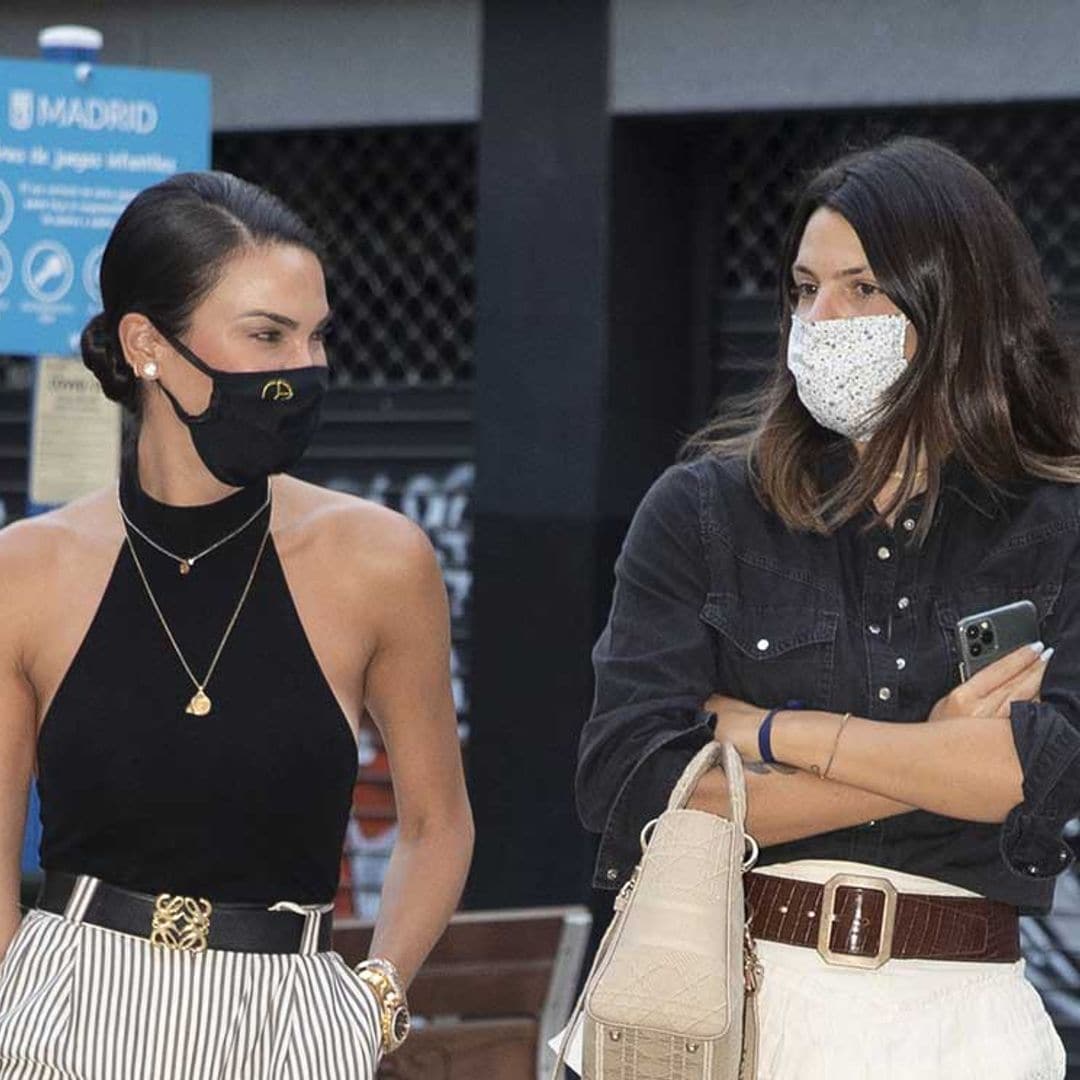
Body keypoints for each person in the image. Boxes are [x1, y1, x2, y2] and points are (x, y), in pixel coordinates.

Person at [575, 137, 1078, 1078]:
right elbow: (632, 785)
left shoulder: (1060, 524)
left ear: (958, 305)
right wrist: (932, 756)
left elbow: (1039, 776)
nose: (821, 319)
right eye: (804, 290)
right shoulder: (703, 508)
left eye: (862, 289)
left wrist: (772, 731)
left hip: (963, 1022)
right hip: (721, 1002)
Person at [0, 171, 474, 1078]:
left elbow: (437, 822)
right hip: (69, 1011)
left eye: (316, 337)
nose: (301, 368)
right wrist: (20, 995)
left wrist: (370, 1000)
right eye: (266, 335)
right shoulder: (27, 569)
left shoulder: (380, 562)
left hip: (289, 1016)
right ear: (147, 344)